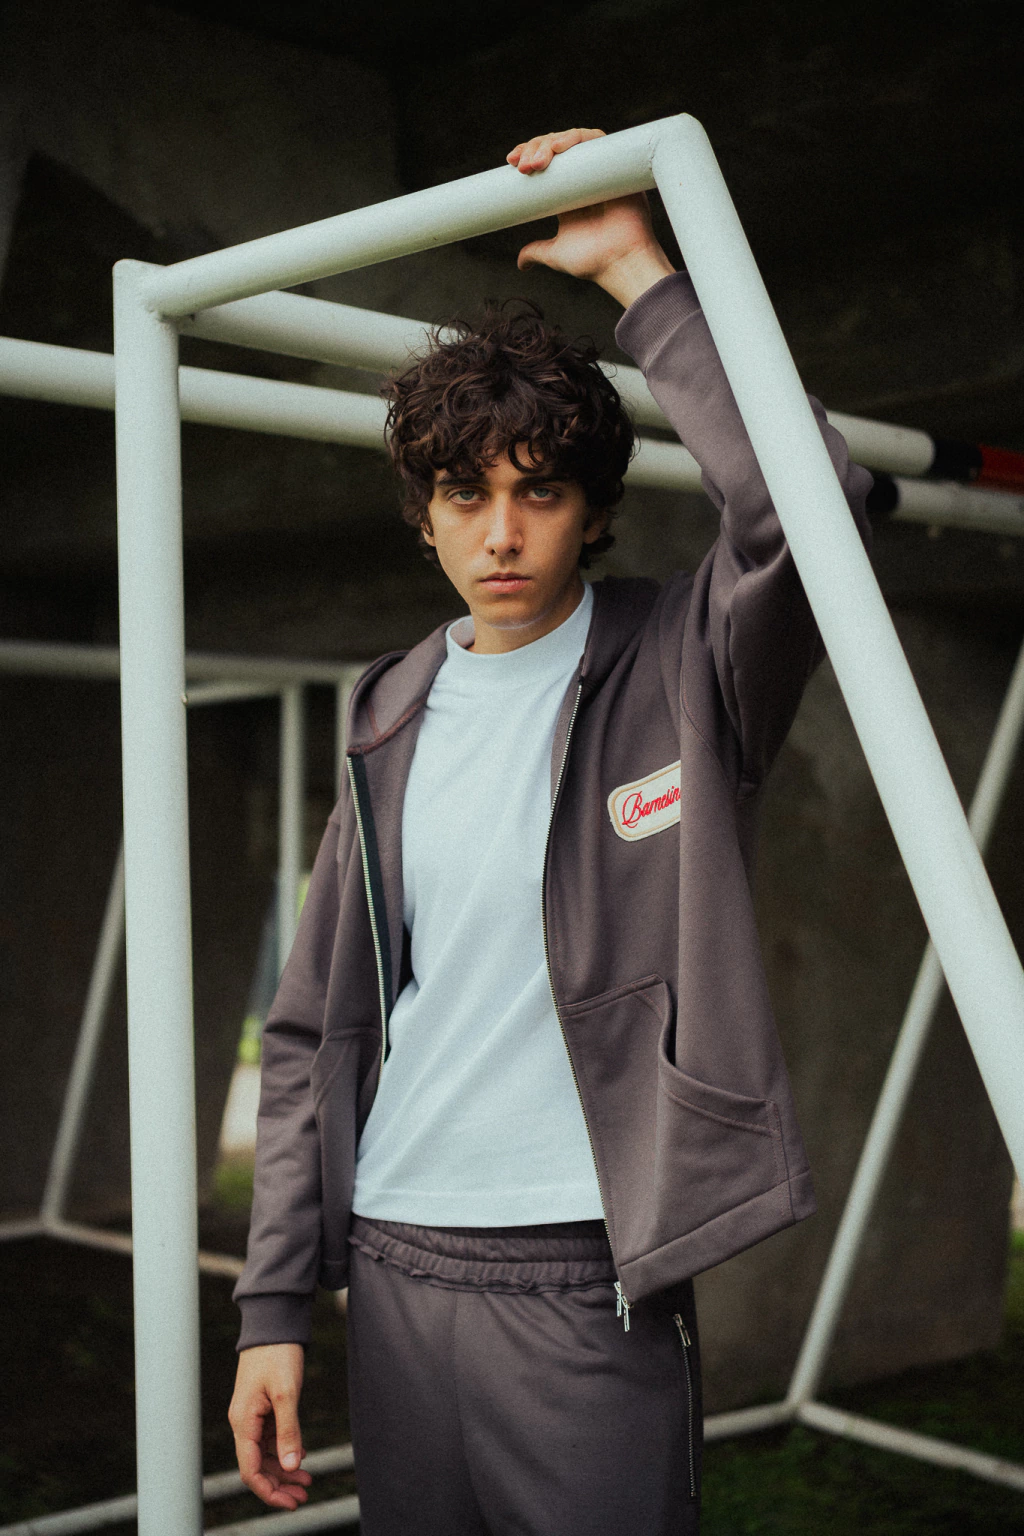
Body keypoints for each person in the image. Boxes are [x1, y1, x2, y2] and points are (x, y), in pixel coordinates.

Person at [228, 127, 872, 1535]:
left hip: (588, 1273)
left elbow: (808, 509)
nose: (502, 533)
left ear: (592, 510)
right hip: (396, 1260)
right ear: (426, 520)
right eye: (467, 496)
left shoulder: (688, 665)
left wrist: (639, 267)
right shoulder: (386, 708)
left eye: (540, 490)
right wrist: (274, 1305)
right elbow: (314, 1025)